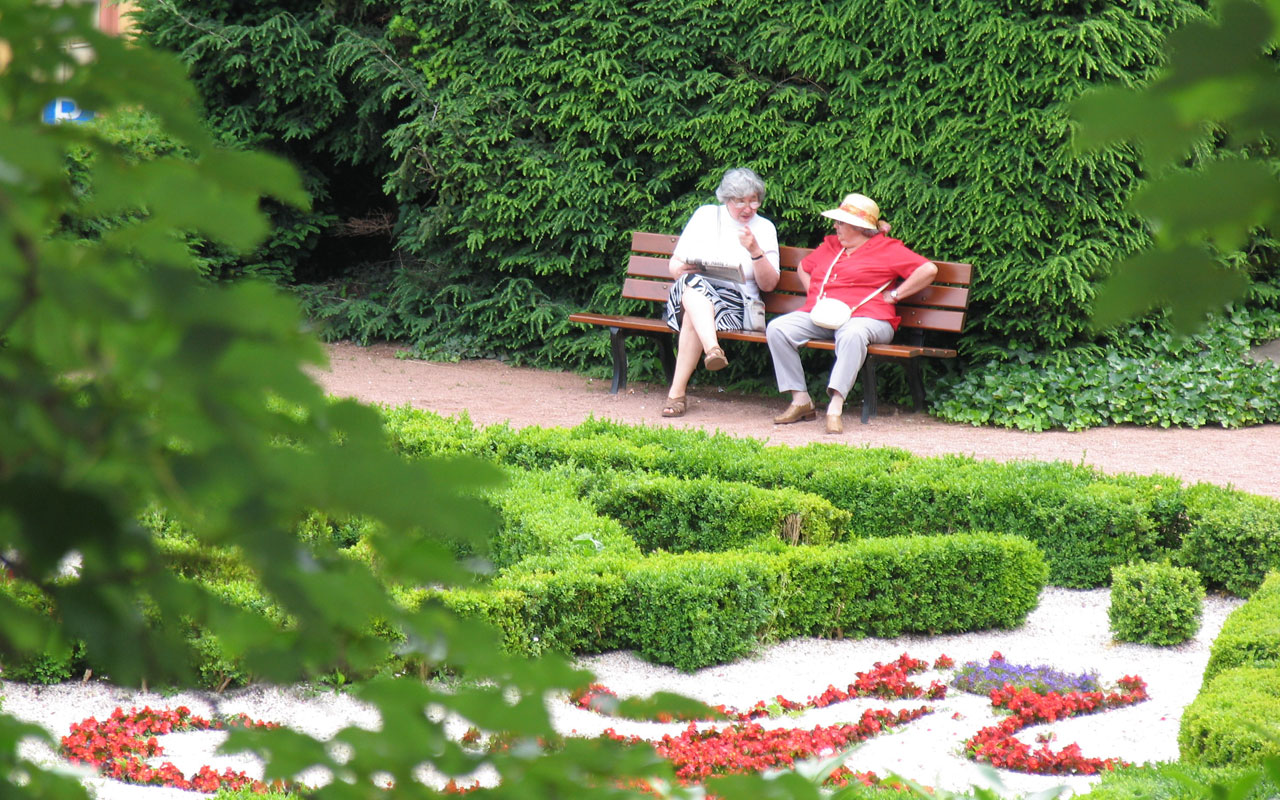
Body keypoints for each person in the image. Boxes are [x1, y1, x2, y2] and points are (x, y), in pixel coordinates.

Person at [766, 193, 938, 434]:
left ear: (859, 228)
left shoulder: (887, 249)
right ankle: (800, 400)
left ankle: (835, 407)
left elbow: (928, 270)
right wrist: (815, 296)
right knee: (778, 328)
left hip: (871, 318)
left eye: (841, 222)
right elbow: (803, 267)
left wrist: (895, 295)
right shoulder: (832, 246)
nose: (835, 226)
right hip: (826, 317)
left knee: (852, 333)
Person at [661, 167, 780, 417]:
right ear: (726, 199)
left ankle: (677, 394)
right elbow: (674, 267)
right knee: (693, 285)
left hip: (735, 306)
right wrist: (682, 269)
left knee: (694, 311)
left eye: (754, 201)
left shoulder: (765, 228)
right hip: (691, 296)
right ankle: (712, 349)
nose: (748, 208)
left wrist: (755, 251)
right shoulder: (705, 216)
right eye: (740, 202)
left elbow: (769, 285)